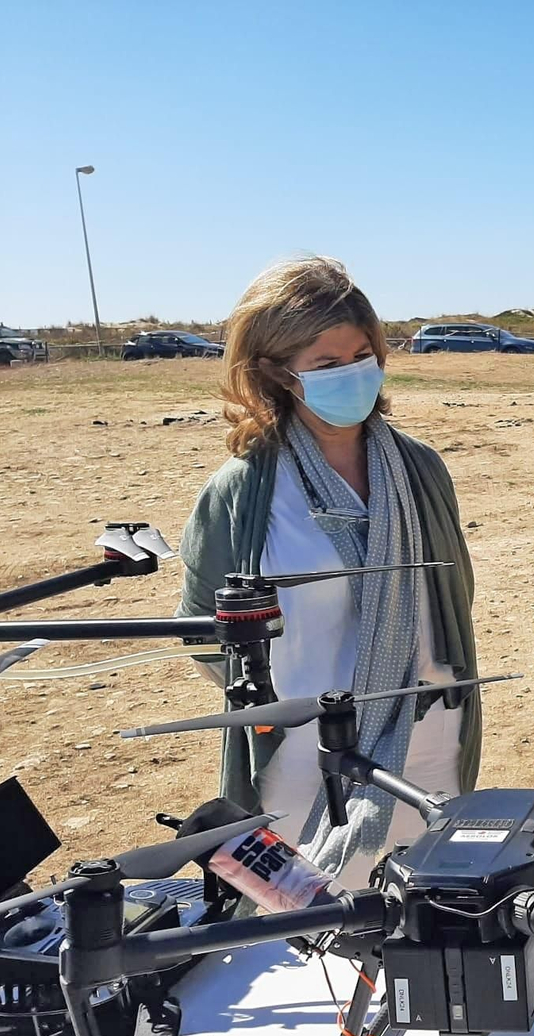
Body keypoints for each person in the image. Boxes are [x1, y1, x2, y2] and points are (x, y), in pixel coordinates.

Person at [178, 256, 481, 888]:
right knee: (311, 929)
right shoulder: (242, 492)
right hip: (302, 759)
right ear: (275, 374)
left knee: (427, 925)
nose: (352, 375)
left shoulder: (420, 469)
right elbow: (205, 629)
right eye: (326, 365)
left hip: (428, 742)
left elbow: (454, 594)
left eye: (362, 355)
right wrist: (273, 700)